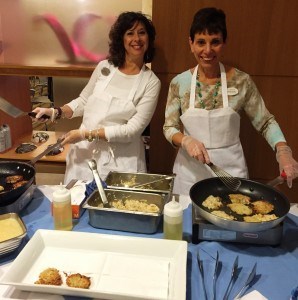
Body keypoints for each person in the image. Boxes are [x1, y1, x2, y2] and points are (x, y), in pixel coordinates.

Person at [163, 7, 298, 195]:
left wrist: (283, 150)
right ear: (191, 43)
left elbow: (265, 122)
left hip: (231, 174)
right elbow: (169, 128)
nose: (207, 50)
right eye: (201, 42)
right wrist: (186, 140)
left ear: (224, 42)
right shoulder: (180, 83)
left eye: (215, 42)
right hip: (189, 174)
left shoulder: (242, 81)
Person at [33, 11, 161, 183]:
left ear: (149, 38)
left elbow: (132, 130)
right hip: (86, 156)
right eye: (130, 33)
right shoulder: (104, 67)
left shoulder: (151, 82)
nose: (136, 39)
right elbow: (84, 100)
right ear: (121, 39)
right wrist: (55, 111)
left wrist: (85, 134)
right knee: (78, 204)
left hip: (122, 161)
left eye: (142, 32)